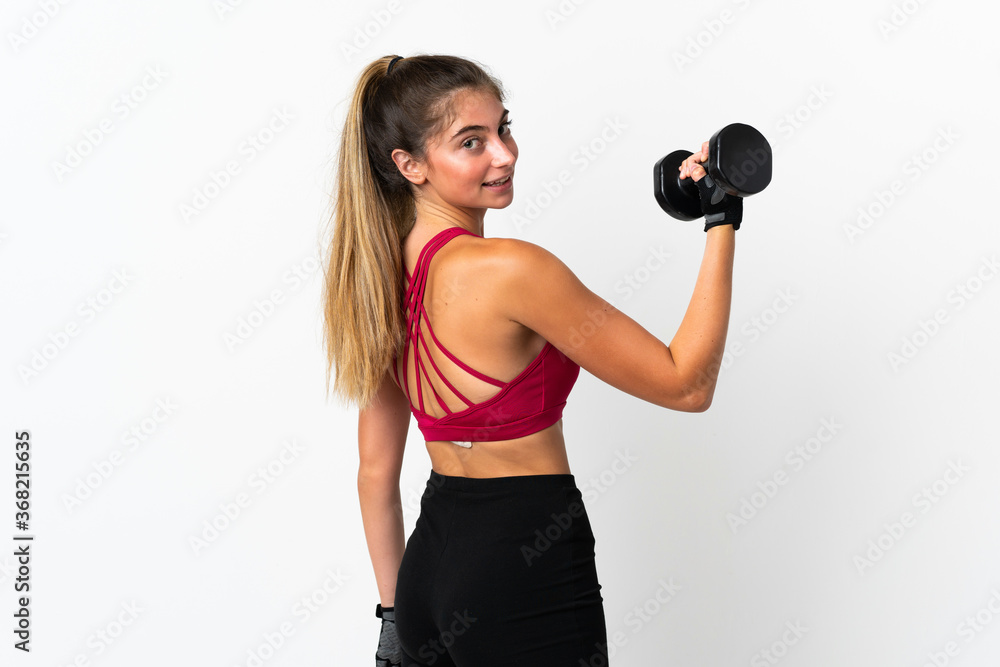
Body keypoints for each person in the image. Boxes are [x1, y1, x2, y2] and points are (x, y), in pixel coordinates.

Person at [321, 53, 739, 667]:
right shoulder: (512, 269)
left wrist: (393, 620)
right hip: (522, 565)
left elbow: (375, 474)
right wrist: (721, 216)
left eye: (503, 128)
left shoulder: (377, 277)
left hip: (425, 574)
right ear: (408, 165)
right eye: (472, 142)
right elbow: (686, 384)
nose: (505, 154)